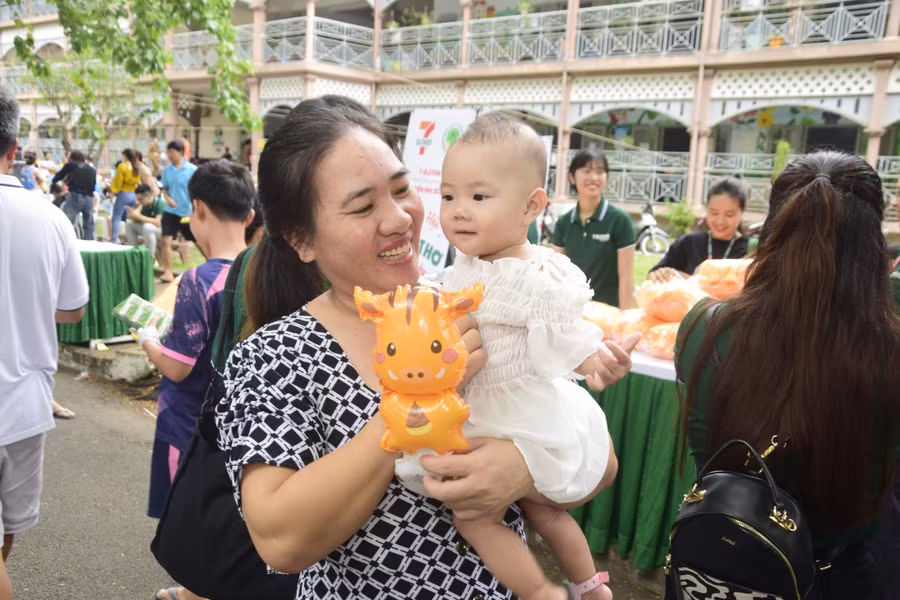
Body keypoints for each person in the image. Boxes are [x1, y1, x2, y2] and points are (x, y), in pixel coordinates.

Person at [215, 96, 635, 600]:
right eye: (363, 205)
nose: (399, 218)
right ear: (303, 239)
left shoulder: (466, 302)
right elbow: (280, 540)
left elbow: (603, 465)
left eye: (402, 189)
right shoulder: (274, 356)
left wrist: (521, 469)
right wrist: (416, 399)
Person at [676, 151, 900, 599]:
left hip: (720, 561)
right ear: (873, 242)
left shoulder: (702, 326)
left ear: (772, 227)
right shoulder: (886, 350)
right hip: (843, 572)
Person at [432, 113, 632, 600]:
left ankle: (582, 585)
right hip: (479, 409)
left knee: (541, 511)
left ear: (531, 206)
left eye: (479, 197)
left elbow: (568, 335)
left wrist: (595, 360)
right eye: (448, 195)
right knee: (476, 514)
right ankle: (544, 589)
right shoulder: (462, 265)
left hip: (522, 409)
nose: (459, 210)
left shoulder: (536, 275)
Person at [136, 160, 255, 600]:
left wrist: (149, 338)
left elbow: (177, 366)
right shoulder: (259, 273)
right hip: (246, 424)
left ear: (199, 208)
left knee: (189, 511)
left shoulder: (198, 279)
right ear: (248, 214)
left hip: (189, 424)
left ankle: (196, 592)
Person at [0, 86, 89, 599]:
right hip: (27, 406)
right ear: (14, 149)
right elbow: (73, 308)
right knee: (9, 528)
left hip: (26, 404)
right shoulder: (51, 218)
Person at [553, 150, 635, 308]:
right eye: (587, 171)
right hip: (572, 313)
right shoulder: (563, 223)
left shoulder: (620, 220)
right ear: (572, 177)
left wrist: (624, 317)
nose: (594, 177)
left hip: (608, 315)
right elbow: (557, 275)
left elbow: (626, 275)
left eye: (600, 171)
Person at [648, 176, 749, 282]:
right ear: (707, 209)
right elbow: (653, 276)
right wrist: (661, 274)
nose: (720, 221)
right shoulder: (687, 243)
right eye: (714, 213)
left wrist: (691, 281)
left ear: (742, 212)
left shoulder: (751, 250)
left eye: (729, 215)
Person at [159, 140, 198, 283]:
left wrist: (194, 209)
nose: (169, 155)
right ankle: (167, 272)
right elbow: (165, 189)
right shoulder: (167, 170)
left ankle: (213, 267)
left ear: (181, 152)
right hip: (171, 211)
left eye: (172, 152)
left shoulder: (192, 170)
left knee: (199, 241)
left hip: (188, 212)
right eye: (168, 152)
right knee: (165, 241)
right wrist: (167, 198)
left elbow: (197, 191)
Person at [53, 150, 98, 241]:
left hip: (75, 195)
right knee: (89, 225)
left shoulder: (71, 165)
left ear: (72, 158)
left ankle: (63, 241)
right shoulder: (92, 169)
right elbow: (93, 184)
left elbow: (57, 177)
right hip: (89, 197)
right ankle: (89, 243)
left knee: (67, 222)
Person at [110, 148, 142, 243]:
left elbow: (118, 181)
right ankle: (129, 238)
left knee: (116, 217)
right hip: (132, 194)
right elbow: (138, 181)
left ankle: (114, 239)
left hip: (123, 193)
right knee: (128, 218)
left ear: (125, 155)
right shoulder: (136, 166)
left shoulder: (122, 166)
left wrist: (114, 191)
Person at [125, 184, 166, 256]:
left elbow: (158, 222)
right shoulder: (144, 205)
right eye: (137, 199)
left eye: (140, 199)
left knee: (147, 227)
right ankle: (133, 253)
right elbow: (140, 219)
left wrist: (139, 216)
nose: (139, 201)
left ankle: (150, 256)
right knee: (129, 225)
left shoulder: (160, 204)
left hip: (163, 231)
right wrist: (133, 216)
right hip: (150, 230)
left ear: (148, 196)